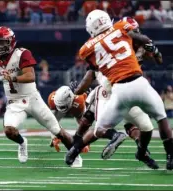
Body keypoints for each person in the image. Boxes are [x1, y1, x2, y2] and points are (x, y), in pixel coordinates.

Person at [65, 10, 173, 170]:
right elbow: (92, 73)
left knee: (146, 127)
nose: (135, 33)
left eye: (136, 31)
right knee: (93, 121)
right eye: (133, 31)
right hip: (108, 87)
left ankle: (142, 152)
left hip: (123, 89)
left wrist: (153, 50)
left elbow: (157, 58)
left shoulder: (114, 39)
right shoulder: (122, 32)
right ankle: (76, 147)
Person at [0, 26, 75, 165]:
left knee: (58, 131)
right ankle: (22, 143)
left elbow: (30, 76)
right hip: (14, 102)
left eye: (2, 42)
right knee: (9, 130)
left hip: (32, 99)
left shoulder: (21, 54)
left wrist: (12, 78)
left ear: (11, 41)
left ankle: (75, 156)